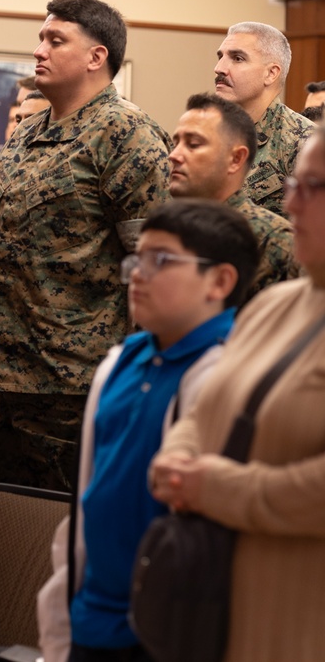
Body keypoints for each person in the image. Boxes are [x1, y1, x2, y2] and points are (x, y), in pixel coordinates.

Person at [37, 199, 260, 662]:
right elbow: (87, 500)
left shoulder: (232, 373)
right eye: (137, 259)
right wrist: (61, 624)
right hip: (93, 619)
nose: (138, 273)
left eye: (162, 261)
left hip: (172, 627)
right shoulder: (119, 362)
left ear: (220, 281)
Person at [0, 0, 172, 491]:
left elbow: (156, 264)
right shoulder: (28, 135)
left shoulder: (127, 133)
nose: (39, 50)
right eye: (40, 38)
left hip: (78, 386)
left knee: (65, 539)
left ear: (96, 57)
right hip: (13, 382)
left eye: (55, 40)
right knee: (14, 540)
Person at [148, 128, 325, 662]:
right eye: (294, 181)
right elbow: (204, 409)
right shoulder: (277, 304)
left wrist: (221, 489)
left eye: (313, 186)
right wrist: (177, 455)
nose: (290, 200)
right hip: (211, 608)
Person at [168, 93, 299, 294]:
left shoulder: (274, 242)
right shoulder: (167, 230)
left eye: (193, 144)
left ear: (236, 159)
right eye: (175, 143)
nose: (174, 155)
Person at [214, 22, 314, 218]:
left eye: (237, 58)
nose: (219, 68)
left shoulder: (303, 144)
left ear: (271, 73)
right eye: (220, 57)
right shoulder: (212, 136)